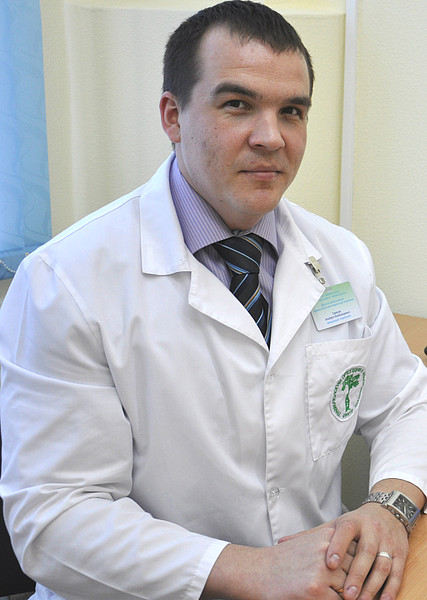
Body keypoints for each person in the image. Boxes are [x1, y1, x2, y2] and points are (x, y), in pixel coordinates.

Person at [0, 1, 426, 599]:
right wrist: (253, 571)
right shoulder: (64, 282)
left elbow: (407, 402)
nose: (271, 137)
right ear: (173, 116)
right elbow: (54, 520)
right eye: (237, 105)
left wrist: (390, 504)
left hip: (318, 585)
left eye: (292, 111)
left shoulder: (340, 258)